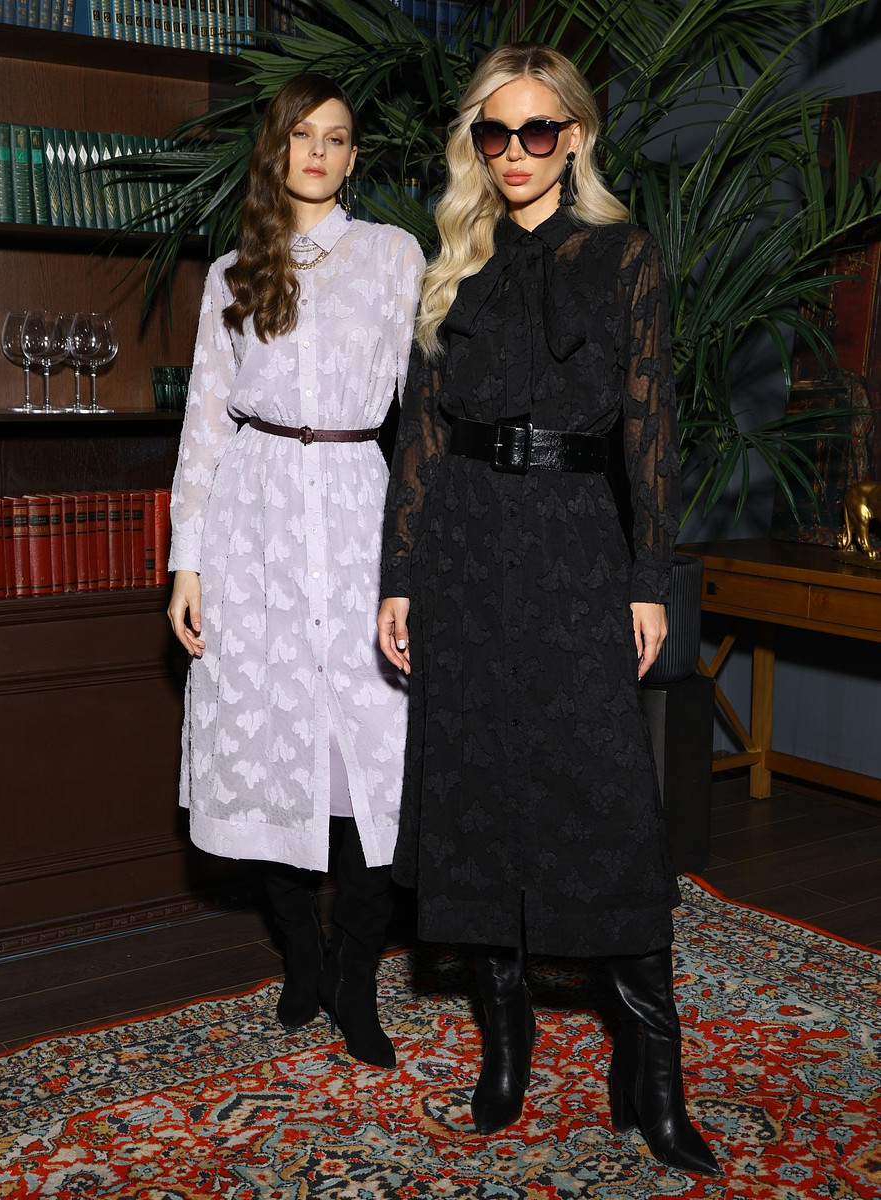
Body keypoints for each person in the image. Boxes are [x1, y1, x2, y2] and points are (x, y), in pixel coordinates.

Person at [377, 44, 720, 1175]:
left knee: (603, 797)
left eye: (537, 130)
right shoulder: (455, 265)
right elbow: (421, 437)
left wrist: (649, 579)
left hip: (577, 548)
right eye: (495, 132)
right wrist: (400, 575)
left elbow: (653, 427)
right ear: (476, 145)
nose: (515, 152)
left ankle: (653, 1067)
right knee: (478, 793)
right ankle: (506, 1044)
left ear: (574, 136)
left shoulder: (623, 254)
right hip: (466, 551)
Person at [168, 73, 424, 1070]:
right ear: (276, 150)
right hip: (255, 526)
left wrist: (419, 555)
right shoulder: (234, 272)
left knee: (371, 765)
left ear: (355, 158)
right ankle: (303, 959)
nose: (318, 151)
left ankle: (357, 976)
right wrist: (188, 563)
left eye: (337, 137)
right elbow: (203, 423)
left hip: (359, 513)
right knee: (273, 754)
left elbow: (424, 418)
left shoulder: (393, 256)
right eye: (301, 135)